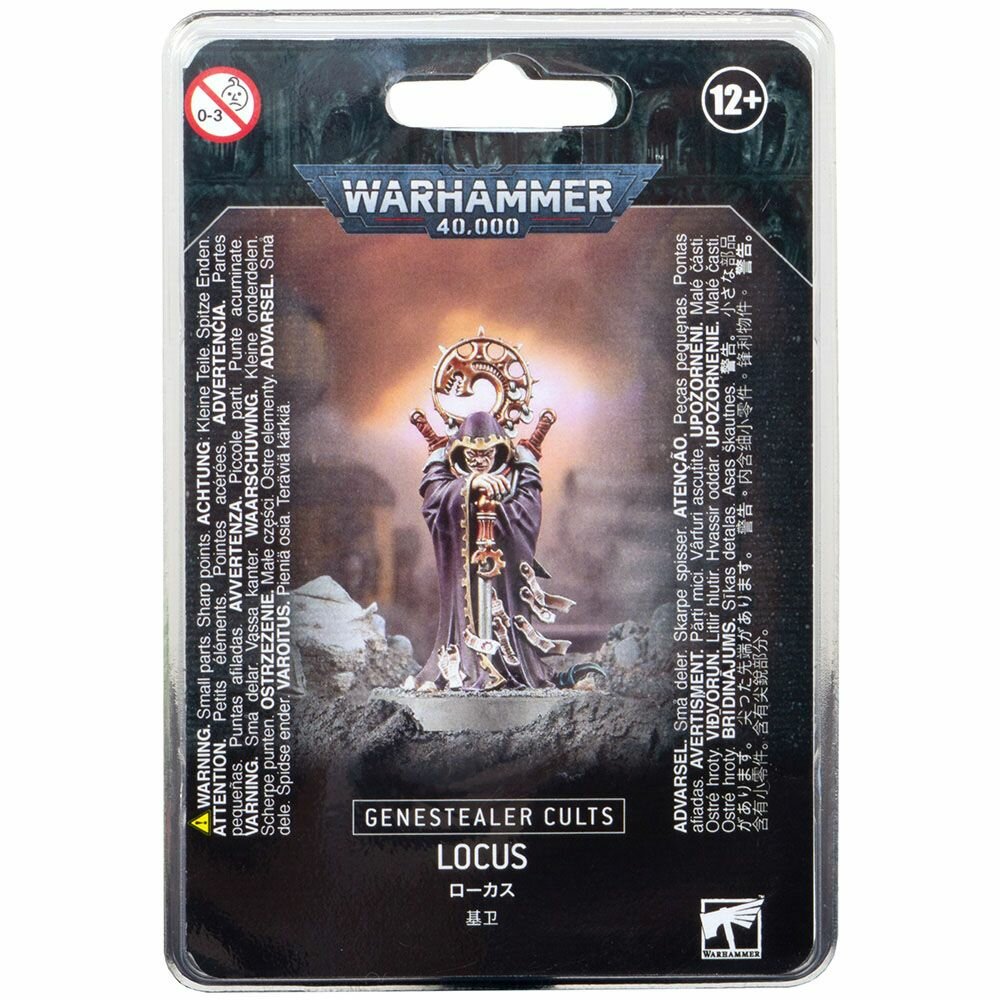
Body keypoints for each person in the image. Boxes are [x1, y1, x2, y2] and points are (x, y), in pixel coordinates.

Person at [411, 410, 574, 690]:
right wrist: (469, 486)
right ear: (460, 454)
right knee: (462, 630)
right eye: (471, 455)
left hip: (502, 582)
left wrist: (525, 468)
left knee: (505, 624)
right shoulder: (453, 483)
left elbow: (526, 510)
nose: (479, 461)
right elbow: (434, 497)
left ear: (498, 453)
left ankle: (508, 669)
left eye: (487, 455)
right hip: (463, 581)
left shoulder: (511, 481)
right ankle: (464, 670)